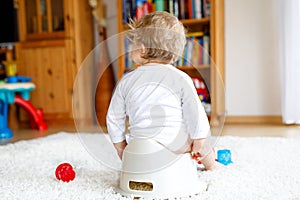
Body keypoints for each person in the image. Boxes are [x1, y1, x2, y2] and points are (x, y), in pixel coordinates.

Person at [106, 11, 221, 170]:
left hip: (140, 149)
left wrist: (122, 148)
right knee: (203, 142)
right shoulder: (181, 78)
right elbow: (195, 113)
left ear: (142, 49)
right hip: (175, 147)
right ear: (175, 55)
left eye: (131, 44)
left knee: (137, 137)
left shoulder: (126, 81)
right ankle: (212, 166)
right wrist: (199, 140)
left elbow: (113, 118)